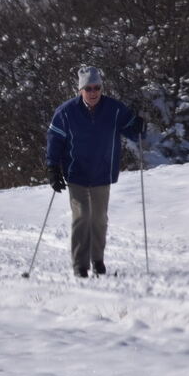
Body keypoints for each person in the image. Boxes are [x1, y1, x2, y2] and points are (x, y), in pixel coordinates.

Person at [46, 65, 143, 278]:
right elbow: (54, 140)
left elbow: (133, 131)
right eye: (88, 88)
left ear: (101, 88)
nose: (93, 92)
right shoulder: (66, 112)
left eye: (96, 87)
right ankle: (80, 265)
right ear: (81, 90)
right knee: (83, 216)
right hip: (76, 172)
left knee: (99, 218)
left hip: (102, 172)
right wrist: (53, 168)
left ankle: (97, 260)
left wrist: (138, 126)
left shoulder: (114, 109)